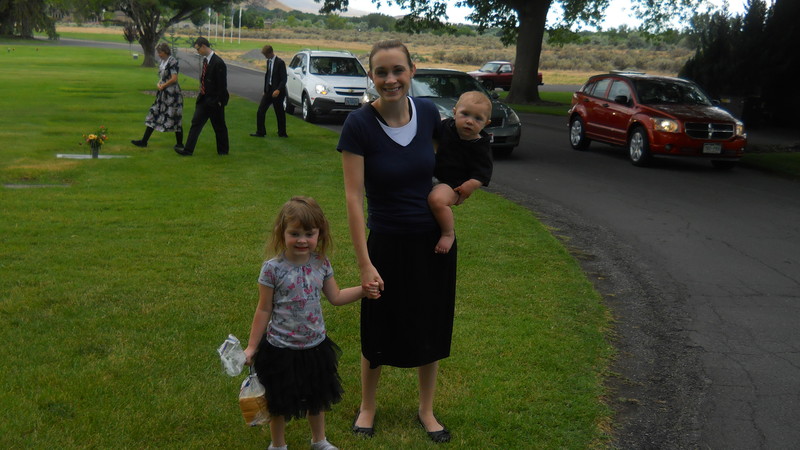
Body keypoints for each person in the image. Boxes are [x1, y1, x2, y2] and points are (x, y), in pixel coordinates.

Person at [337, 39, 456, 444]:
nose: (390, 79)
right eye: (381, 72)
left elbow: (455, 162)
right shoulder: (358, 125)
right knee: (378, 327)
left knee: (430, 323)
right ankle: (368, 406)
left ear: (412, 70)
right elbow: (353, 198)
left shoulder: (427, 113)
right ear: (372, 76)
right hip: (385, 243)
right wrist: (365, 261)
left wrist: (460, 191)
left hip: (431, 244)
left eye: (397, 70)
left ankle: (426, 409)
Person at [243, 196, 379, 450]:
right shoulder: (272, 269)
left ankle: (319, 441)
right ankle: (278, 445)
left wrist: (362, 291)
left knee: (316, 398)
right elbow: (263, 309)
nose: (302, 240)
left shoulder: (321, 263)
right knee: (279, 401)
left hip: (315, 346)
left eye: (309, 233)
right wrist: (252, 347)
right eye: (294, 233)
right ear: (281, 233)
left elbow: (336, 297)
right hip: (280, 348)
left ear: (320, 234)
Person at [428, 90, 493, 254]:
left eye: (478, 118)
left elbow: (483, 172)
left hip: (453, 185)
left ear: (487, 123)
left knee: (437, 200)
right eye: (465, 114)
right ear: (455, 113)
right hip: (431, 174)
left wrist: (471, 184)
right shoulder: (446, 127)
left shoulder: (481, 146)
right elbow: (428, 133)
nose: (469, 121)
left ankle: (448, 233)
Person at [176, 37, 229, 156]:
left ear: (204, 46)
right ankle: (188, 150)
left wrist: (219, 101)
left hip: (215, 101)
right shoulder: (206, 61)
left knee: (219, 126)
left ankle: (223, 151)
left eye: (198, 49)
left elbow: (222, 85)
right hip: (204, 99)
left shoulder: (218, 63)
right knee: (196, 123)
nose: (197, 51)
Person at [131, 42, 184, 150]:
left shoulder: (172, 61)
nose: (158, 55)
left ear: (166, 52)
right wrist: (159, 83)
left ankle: (180, 143)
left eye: (160, 53)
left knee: (174, 116)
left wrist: (163, 85)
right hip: (162, 94)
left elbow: (174, 78)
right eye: (158, 53)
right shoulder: (162, 61)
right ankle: (144, 141)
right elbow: (162, 76)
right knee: (154, 113)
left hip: (172, 95)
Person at [251, 44, 288, 138]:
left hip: (278, 92)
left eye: (266, 55)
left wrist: (278, 90)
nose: (265, 57)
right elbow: (268, 76)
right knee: (260, 111)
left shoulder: (280, 62)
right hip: (269, 90)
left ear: (271, 53)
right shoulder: (268, 62)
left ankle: (282, 133)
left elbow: (284, 79)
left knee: (279, 113)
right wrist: (265, 89)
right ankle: (260, 132)